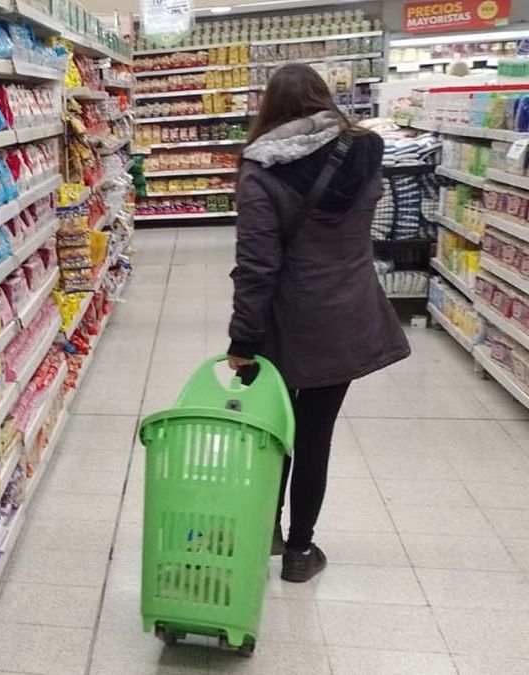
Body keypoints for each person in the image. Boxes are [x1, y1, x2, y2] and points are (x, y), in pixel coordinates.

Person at [226, 64, 410, 583]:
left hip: (286, 324)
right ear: (323, 98)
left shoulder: (260, 169)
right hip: (347, 313)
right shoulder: (366, 151)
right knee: (316, 435)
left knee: (273, 433)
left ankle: (268, 530)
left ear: (270, 107)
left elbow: (258, 266)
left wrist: (243, 339)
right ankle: (302, 552)